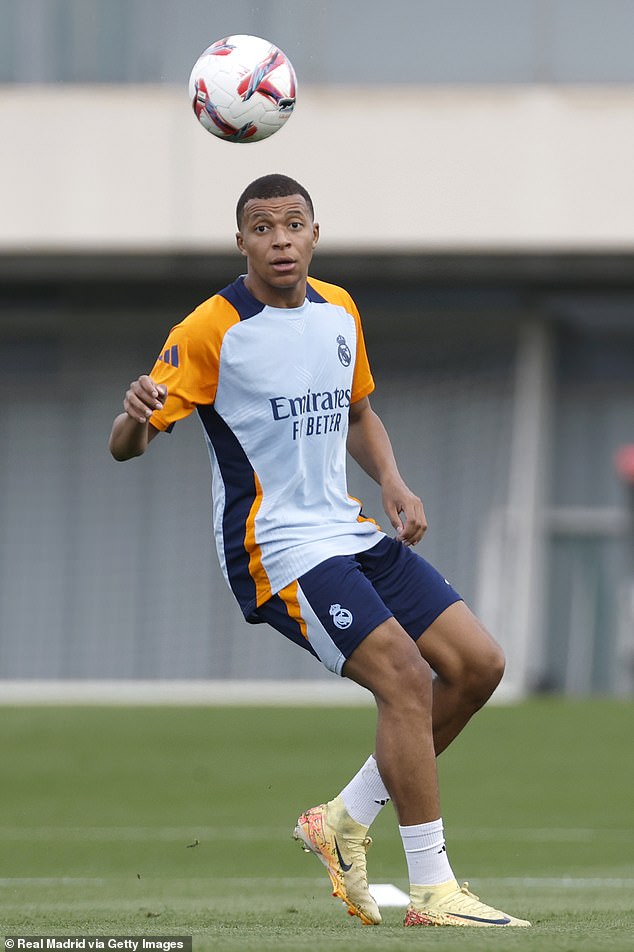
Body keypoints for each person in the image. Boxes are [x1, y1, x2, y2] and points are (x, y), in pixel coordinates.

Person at [109, 173, 530, 929]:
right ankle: (434, 891)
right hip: (276, 550)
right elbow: (126, 450)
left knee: (478, 665)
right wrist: (134, 416)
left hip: (348, 527)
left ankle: (341, 819)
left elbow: (358, 411)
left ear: (314, 234)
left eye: (293, 225)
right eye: (263, 228)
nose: (280, 240)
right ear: (241, 242)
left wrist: (395, 483)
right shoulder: (208, 330)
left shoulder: (340, 310)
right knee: (404, 675)